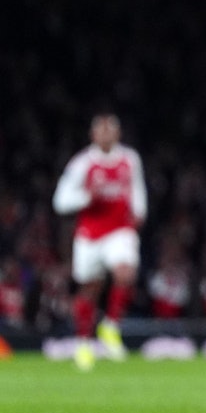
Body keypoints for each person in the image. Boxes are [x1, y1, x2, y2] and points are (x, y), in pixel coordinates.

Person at [52, 112, 148, 371]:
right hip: (90, 235)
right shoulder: (82, 163)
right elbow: (60, 201)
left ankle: (110, 326)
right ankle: (83, 342)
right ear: (93, 135)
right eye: (101, 131)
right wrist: (85, 197)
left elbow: (136, 189)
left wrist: (139, 211)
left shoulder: (130, 159)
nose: (106, 135)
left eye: (110, 131)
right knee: (89, 290)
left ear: (118, 134)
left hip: (120, 230)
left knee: (125, 273)